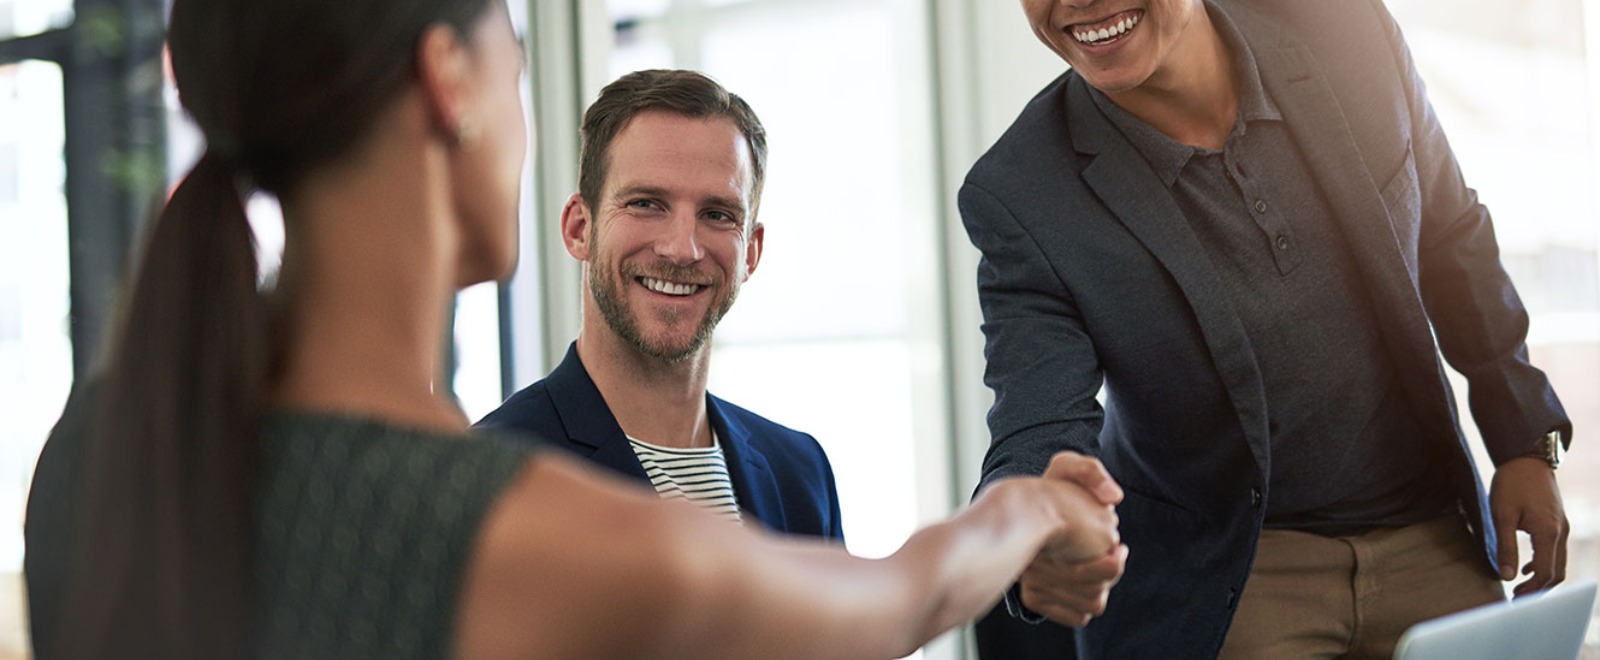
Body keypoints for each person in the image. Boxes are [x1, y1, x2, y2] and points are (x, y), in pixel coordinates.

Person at [22, 0, 1126, 658]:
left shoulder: (103, 452)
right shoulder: (500, 522)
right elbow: (896, 602)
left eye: (717, 214)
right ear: (447, 79)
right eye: (513, 58)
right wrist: (1029, 504)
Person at [959, 0, 1572, 658]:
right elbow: (1033, 422)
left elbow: (1452, 234)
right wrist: (1028, 528)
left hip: (1430, 535)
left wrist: (1523, 444)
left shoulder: (1348, 31)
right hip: (1233, 575)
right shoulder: (1022, 192)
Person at [476, 70, 842, 542]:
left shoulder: (800, 471)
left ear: (751, 250)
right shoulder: (490, 473)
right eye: (647, 204)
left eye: (717, 215)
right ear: (579, 229)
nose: (682, 248)